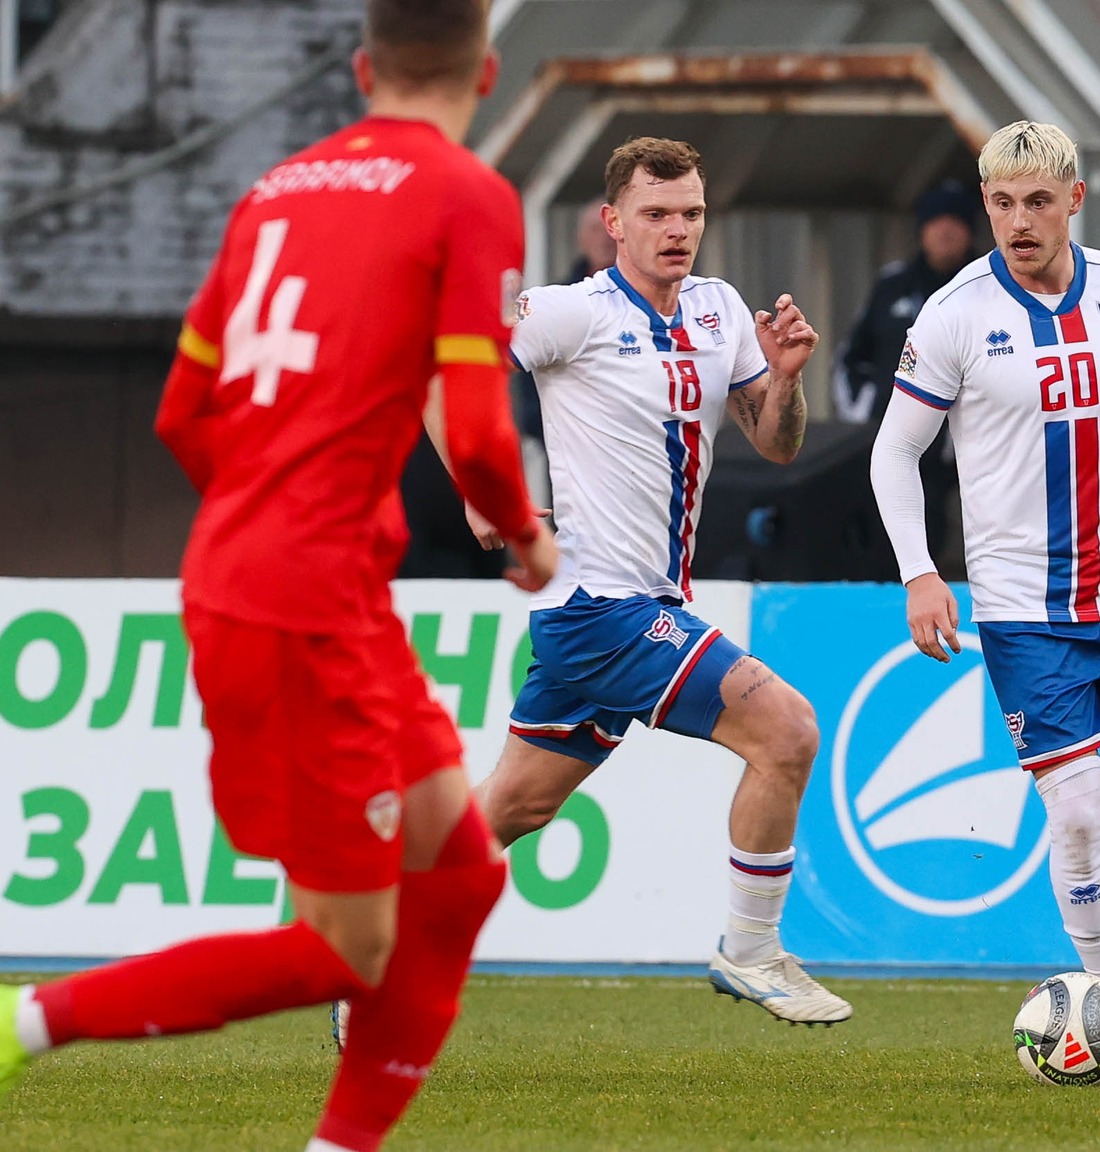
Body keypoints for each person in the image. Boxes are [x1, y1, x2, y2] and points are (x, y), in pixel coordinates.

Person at [0, 4, 557, 1150]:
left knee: (461, 876)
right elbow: (478, 429)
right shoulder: (467, 193)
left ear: (360, 69)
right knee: (343, 950)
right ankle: (24, 1023)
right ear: (486, 74)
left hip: (290, 581)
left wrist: (269, 519)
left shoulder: (273, 190)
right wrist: (524, 536)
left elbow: (181, 413)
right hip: (304, 602)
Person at [870, 120, 1100, 1085]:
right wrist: (920, 571)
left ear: (1075, 199)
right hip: (1025, 616)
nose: (1019, 221)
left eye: (1037, 201)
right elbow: (894, 452)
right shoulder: (953, 315)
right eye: (1002, 203)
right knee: (1078, 819)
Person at [463, 136, 852, 1025]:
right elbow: (443, 371)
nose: (677, 230)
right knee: (788, 732)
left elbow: (776, 443)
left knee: (513, 807)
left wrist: (785, 380)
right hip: (602, 608)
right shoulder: (570, 312)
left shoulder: (718, 309)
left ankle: (372, 949)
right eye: (656, 214)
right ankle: (751, 950)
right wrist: (484, 493)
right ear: (613, 222)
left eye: (691, 214)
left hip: (632, 608)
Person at [835, 179, 980, 423]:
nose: (945, 230)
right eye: (935, 220)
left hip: (964, 438)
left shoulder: (988, 287)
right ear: (922, 229)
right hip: (888, 430)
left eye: (956, 221)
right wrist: (865, 411)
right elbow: (849, 359)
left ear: (970, 231)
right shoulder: (891, 285)